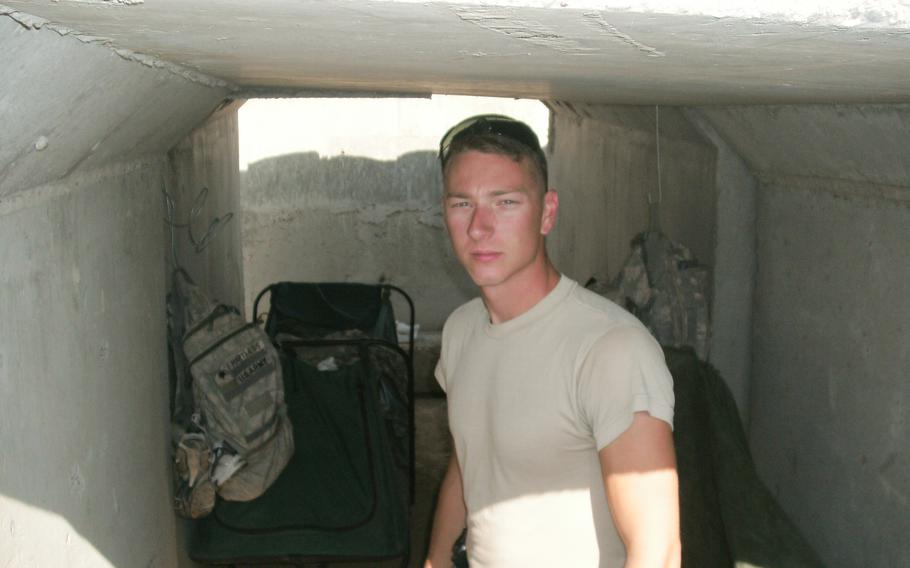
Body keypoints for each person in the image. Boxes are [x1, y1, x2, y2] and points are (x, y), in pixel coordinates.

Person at [424, 115, 681, 568]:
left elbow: (657, 551)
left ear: (547, 213)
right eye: (462, 204)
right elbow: (470, 464)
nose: (479, 227)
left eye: (505, 203)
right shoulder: (461, 329)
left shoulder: (610, 348)